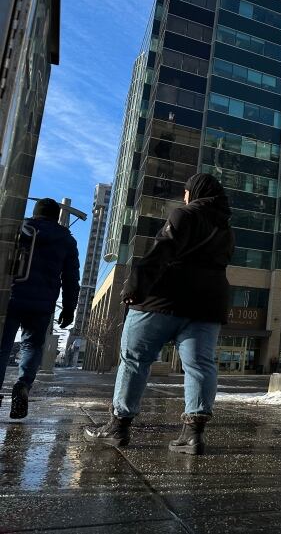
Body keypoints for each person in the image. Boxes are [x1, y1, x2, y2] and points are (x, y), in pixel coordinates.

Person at [84, 174, 234, 454]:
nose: (184, 195)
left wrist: (134, 287)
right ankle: (193, 434)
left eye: (186, 190)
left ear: (195, 192)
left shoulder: (184, 214)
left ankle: (118, 427)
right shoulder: (225, 229)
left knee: (134, 359)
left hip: (164, 299)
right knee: (200, 365)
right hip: (207, 305)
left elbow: (162, 251)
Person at [0, 198, 80, 418]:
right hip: (42, 303)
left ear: (35, 213)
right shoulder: (65, 239)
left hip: (11, 297)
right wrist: (68, 308)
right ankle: (23, 385)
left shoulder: (21, 229)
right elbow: (71, 278)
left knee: (2, 346)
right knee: (32, 346)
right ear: (56, 216)